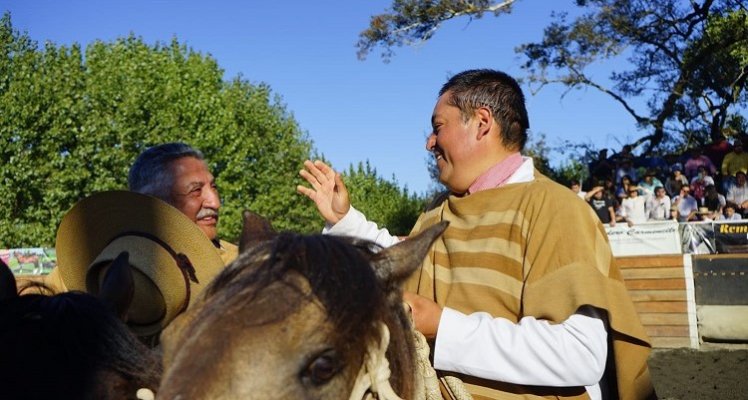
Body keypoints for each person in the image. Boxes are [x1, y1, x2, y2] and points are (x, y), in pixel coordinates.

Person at [298, 69, 654, 400]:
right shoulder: (440, 209)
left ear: (482, 123)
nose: (429, 142)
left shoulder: (555, 208)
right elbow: (404, 258)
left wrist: (443, 327)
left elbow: (580, 355)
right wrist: (345, 220)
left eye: (439, 127)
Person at [128, 142, 238, 264]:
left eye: (214, 187)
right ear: (155, 203)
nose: (215, 203)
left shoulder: (244, 265)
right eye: (195, 190)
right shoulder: (128, 266)